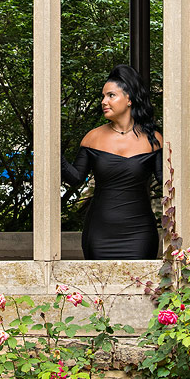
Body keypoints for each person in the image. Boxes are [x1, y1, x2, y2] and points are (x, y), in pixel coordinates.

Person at [61, 64, 162, 260]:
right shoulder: (93, 137)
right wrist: (54, 153)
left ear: (129, 99)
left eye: (110, 95)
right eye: (103, 96)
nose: (104, 101)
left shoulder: (153, 139)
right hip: (99, 234)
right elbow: (75, 179)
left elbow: (168, 182)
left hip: (140, 234)